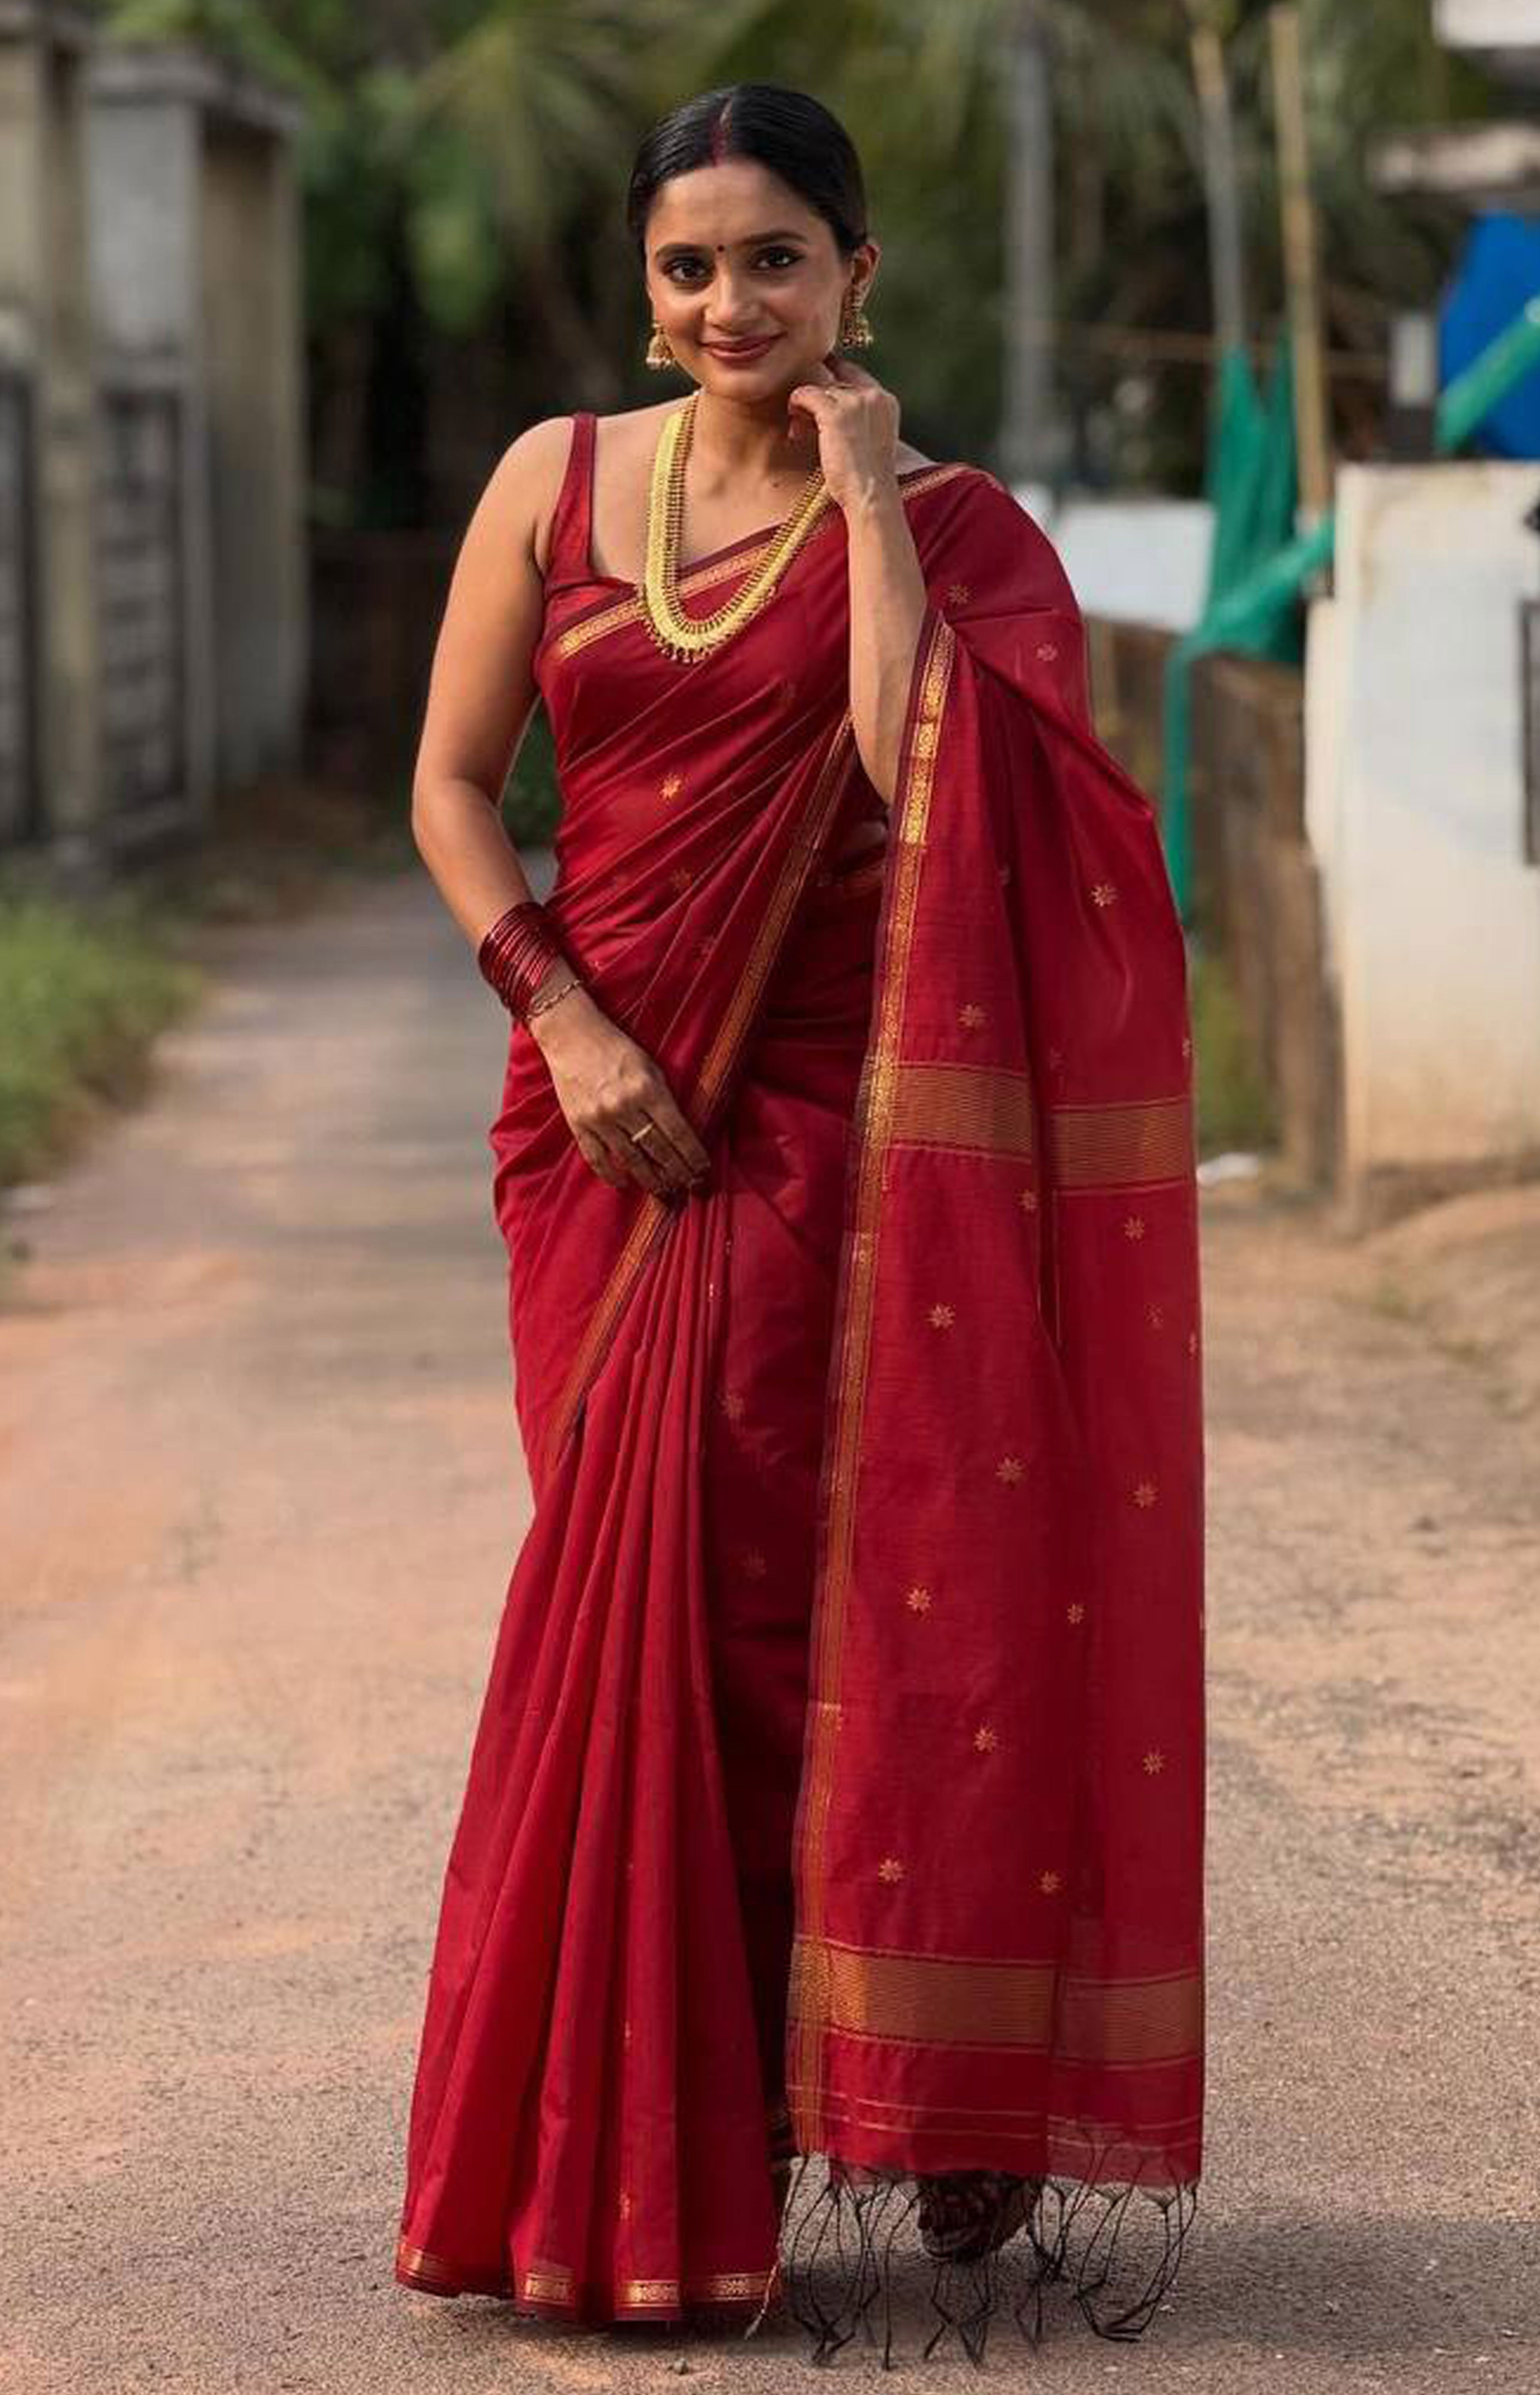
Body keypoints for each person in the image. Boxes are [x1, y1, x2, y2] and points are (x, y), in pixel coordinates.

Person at [393, 80, 1205, 2367]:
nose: (724, 300)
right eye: (685, 264)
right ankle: (658, 2122)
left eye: (771, 258)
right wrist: (561, 1018)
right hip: (598, 1125)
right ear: (642, 296)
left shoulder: (955, 525)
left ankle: (754, 2128)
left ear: (856, 279)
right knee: (612, 1590)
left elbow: (903, 770)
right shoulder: (550, 484)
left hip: (833, 1125)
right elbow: (458, 790)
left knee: (770, 1624)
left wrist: (864, 497)